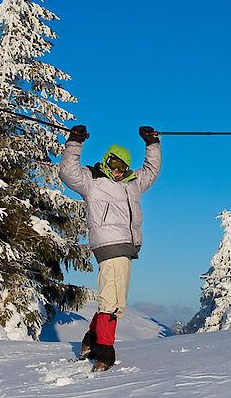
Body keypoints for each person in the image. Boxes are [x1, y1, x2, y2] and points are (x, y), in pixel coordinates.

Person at [59, 124, 161, 371]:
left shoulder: (132, 182)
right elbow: (67, 172)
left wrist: (152, 144)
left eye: (122, 167)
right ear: (106, 160)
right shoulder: (92, 180)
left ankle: (91, 341)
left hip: (127, 246)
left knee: (114, 297)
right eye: (114, 164)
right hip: (108, 242)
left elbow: (151, 170)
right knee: (113, 302)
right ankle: (104, 352)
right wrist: (75, 142)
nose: (117, 171)